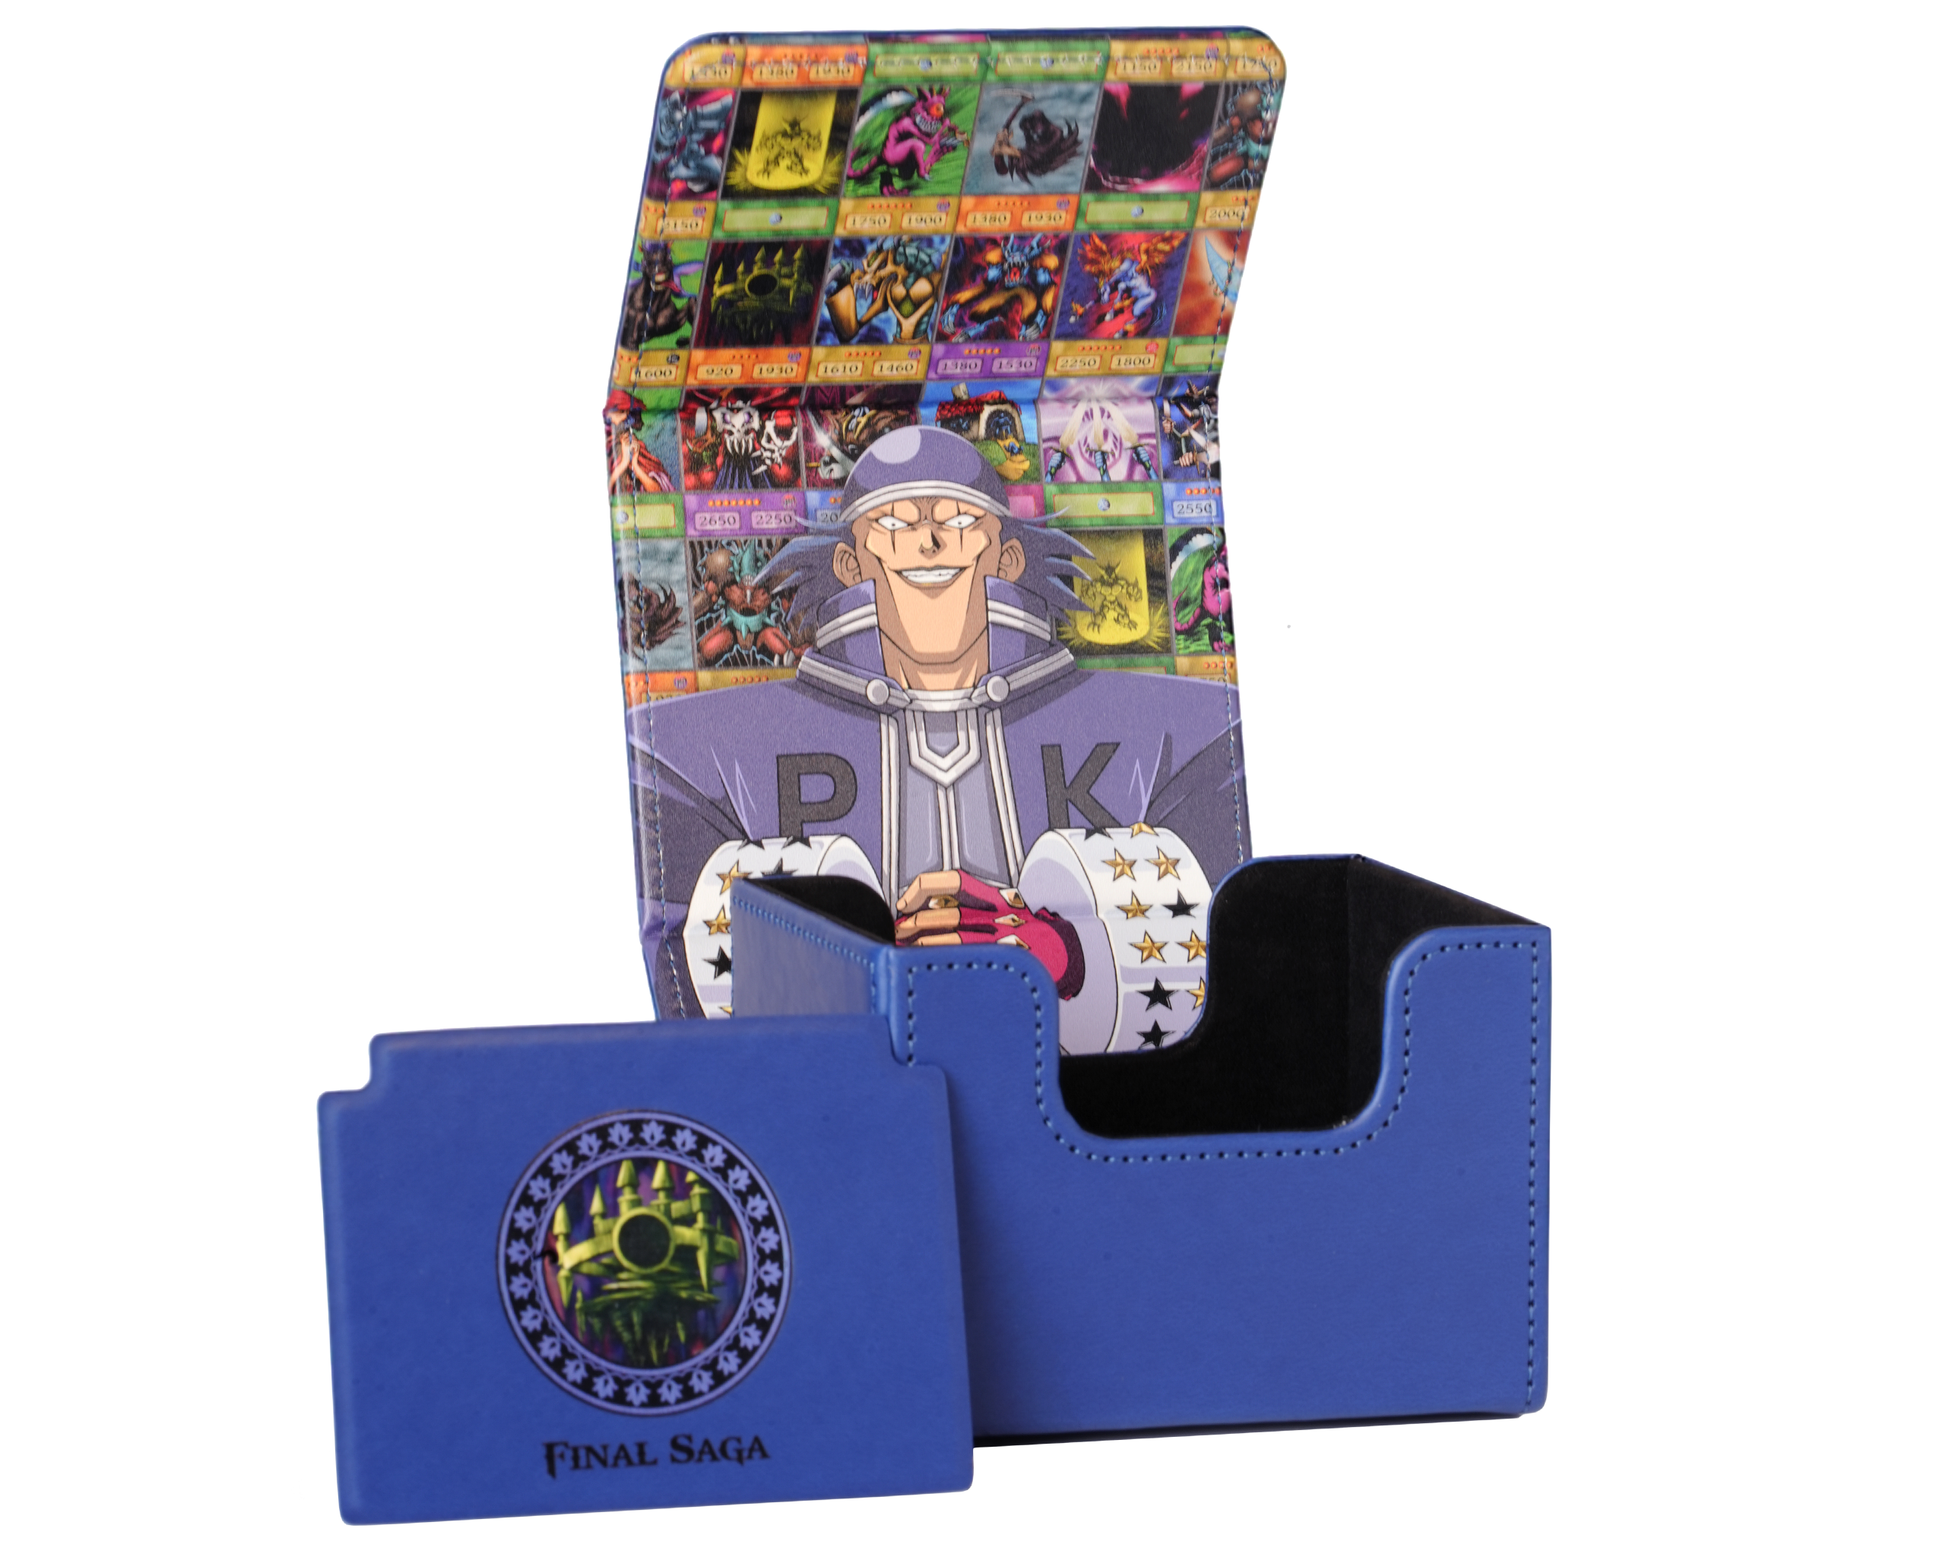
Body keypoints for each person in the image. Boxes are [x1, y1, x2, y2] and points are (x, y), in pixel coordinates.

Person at [627, 426, 1248, 1050]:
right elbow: (689, 964)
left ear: (1008, 556)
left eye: (957, 519)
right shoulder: (699, 750)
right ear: (849, 565)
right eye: (894, 523)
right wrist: (853, 967)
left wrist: (1069, 952)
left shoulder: (1180, 728)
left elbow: (1224, 937)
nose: (927, 541)